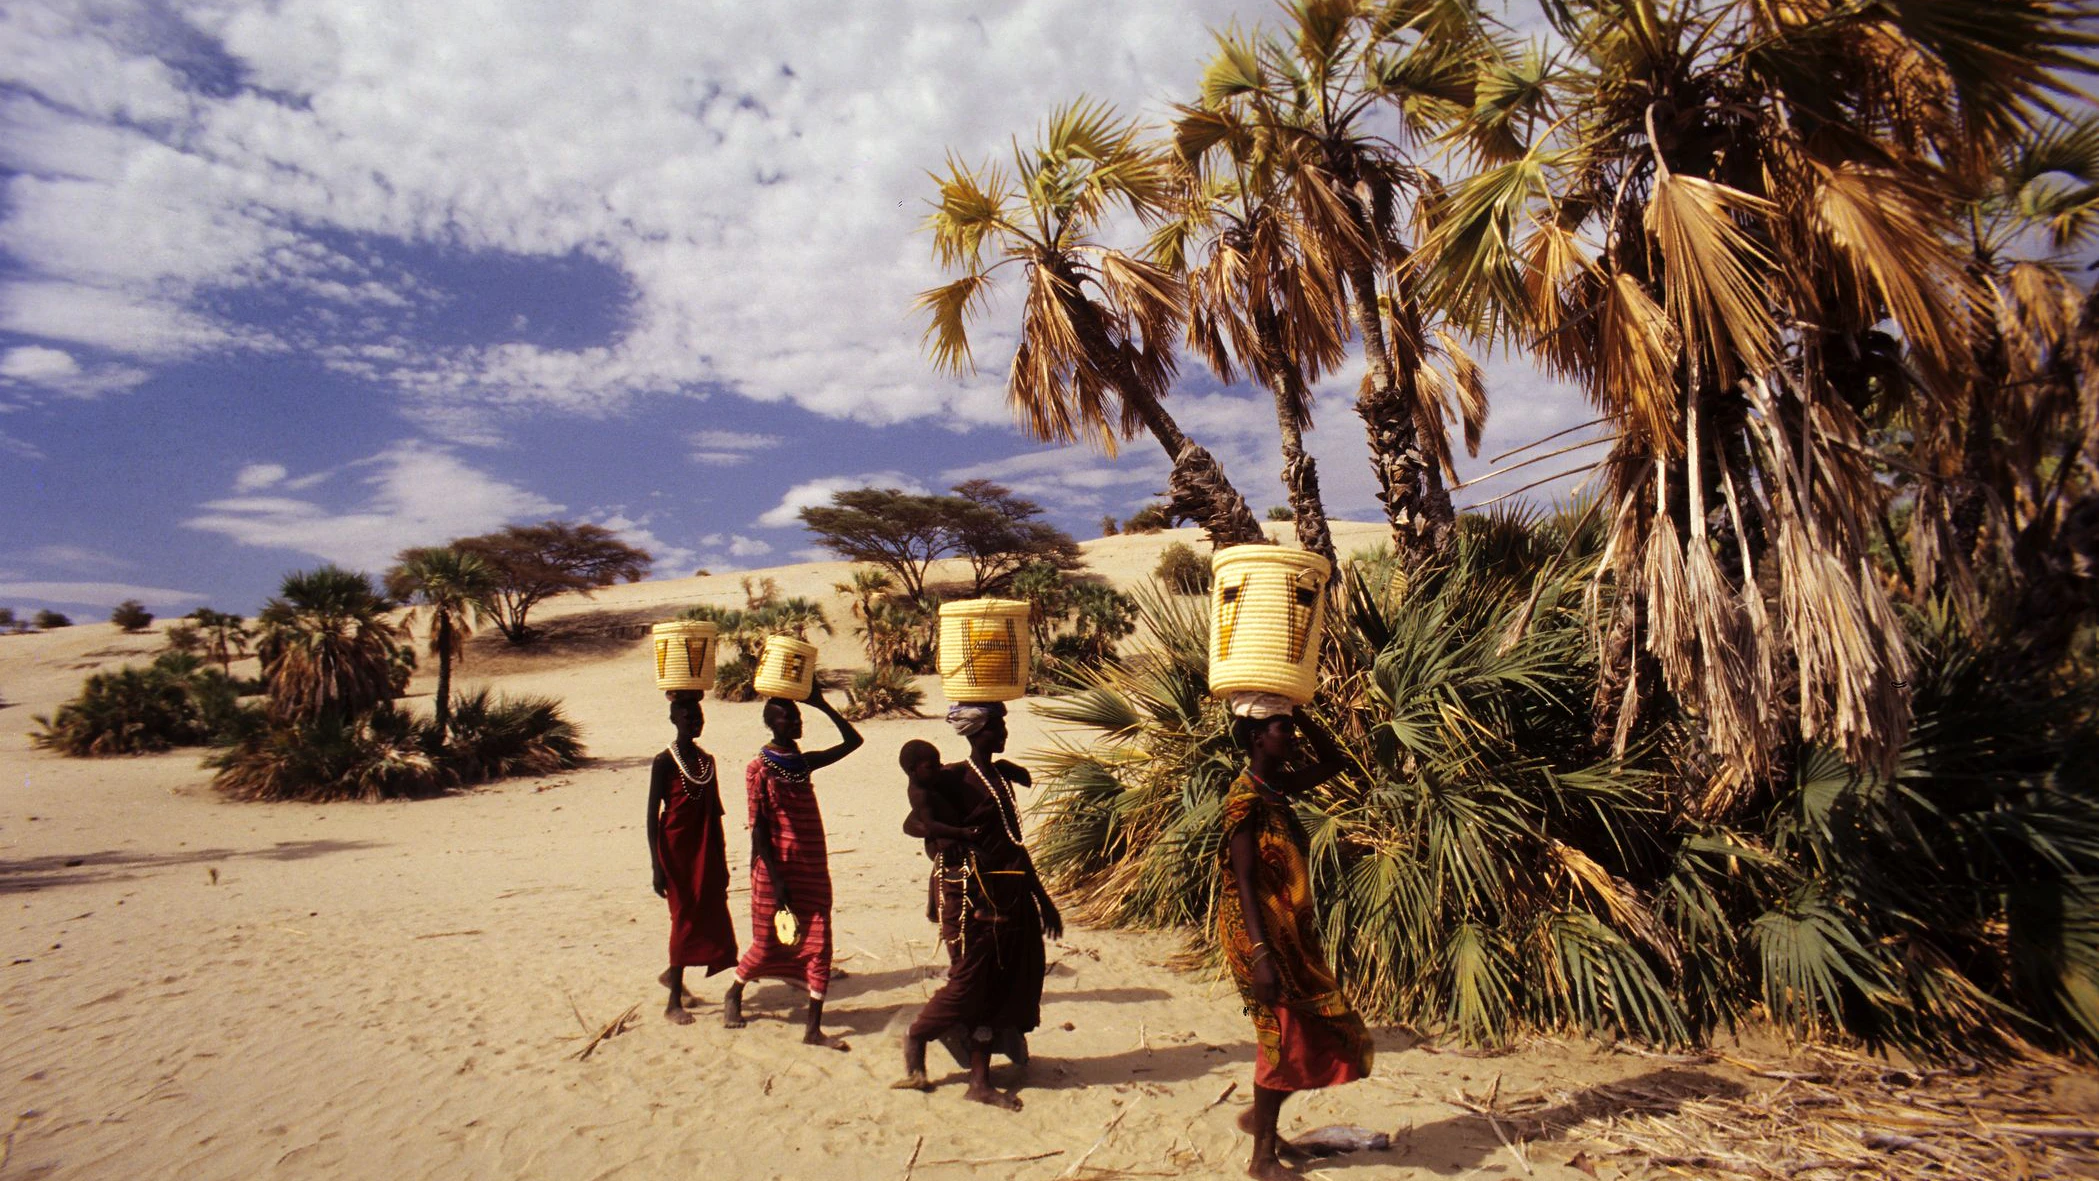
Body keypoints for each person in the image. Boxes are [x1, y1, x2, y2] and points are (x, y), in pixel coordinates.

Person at [1219, 703, 1373, 1179]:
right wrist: (1263, 954)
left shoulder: (1275, 788)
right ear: (1257, 739)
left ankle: (1257, 1118)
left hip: (1291, 934)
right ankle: (1262, 1158)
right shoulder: (1243, 799)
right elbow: (1244, 881)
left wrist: (1300, 713)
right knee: (1281, 1037)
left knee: (1318, 1029)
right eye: (1283, 730)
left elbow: (1335, 763)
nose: (1293, 739)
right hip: (1258, 938)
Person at [891, 702, 1061, 1109]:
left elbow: (1015, 847)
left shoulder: (996, 776)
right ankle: (918, 1036)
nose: (1002, 733)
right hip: (972, 899)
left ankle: (979, 1081)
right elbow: (913, 821)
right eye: (996, 727)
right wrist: (949, 841)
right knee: (969, 984)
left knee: (998, 984)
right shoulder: (954, 777)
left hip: (1008, 892)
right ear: (975, 731)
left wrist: (1043, 900)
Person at [723, 683, 863, 1049]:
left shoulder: (802, 763)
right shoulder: (759, 770)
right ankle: (734, 993)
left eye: (798, 715)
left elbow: (853, 742)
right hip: (777, 868)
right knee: (770, 941)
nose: (798, 721)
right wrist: (776, 879)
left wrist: (821, 704)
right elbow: (759, 832)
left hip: (812, 864)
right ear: (772, 723)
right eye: (791, 716)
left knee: (820, 942)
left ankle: (813, 1029)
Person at [646, 690, 738, 1025]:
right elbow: (651, 816)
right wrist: (657, 867)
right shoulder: (664, 761)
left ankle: (673, 976)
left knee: (709, 910)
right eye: (688, 717)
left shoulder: (707, 761)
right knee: (682, 916)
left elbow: (715, 813)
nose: (695, 722)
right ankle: (673, 1003)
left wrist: (722, 859)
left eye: (699, 717)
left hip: (705, 846)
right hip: (675, 850)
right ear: (674, 720)